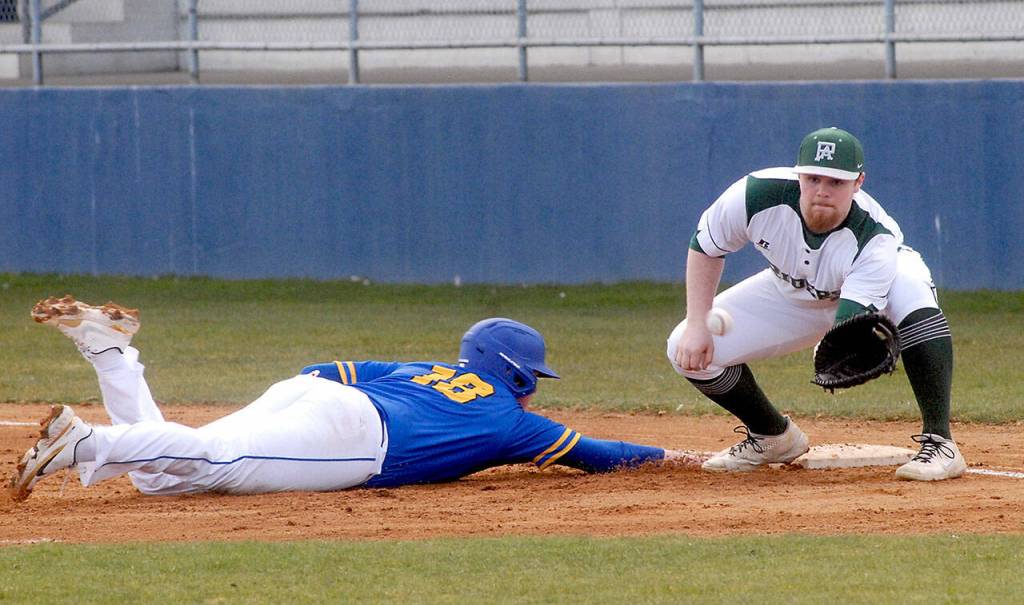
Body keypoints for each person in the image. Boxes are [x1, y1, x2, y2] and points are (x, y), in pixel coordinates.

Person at [11, 296, 701, 501]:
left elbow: (331, 366)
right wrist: (675, 456)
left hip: (309, 391)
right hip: (354, 439)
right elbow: (595, 453)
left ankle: (107, 348)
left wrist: (307, 396)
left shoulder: (425, 368)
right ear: (516, 373)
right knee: (217, 458)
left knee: (166, 478)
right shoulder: (504, 418)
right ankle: (86, 443)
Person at [666, 127, 966, 481]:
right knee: (682, 346)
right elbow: (705, 247)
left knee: (911, 291)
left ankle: (940, 442)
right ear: (798, 175)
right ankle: (772, 436)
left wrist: (835, 344)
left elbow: (849, 325)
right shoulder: (755, 194)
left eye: (837, 182)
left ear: (858, 183)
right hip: (791, 292)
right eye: (814, 178)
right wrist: (698, 323)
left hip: (871, 291)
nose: (823, 190)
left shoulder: (875, 238)